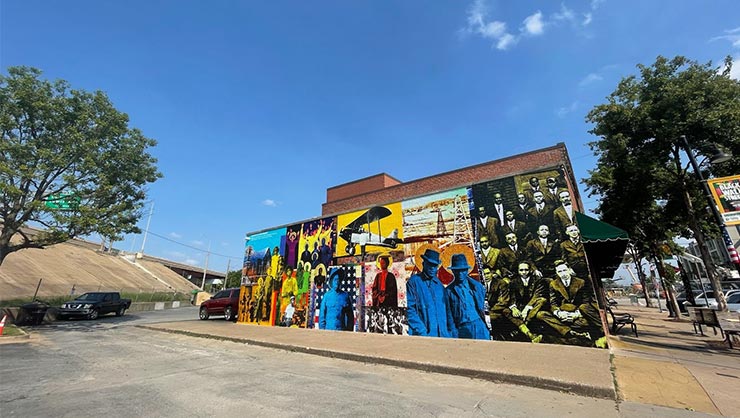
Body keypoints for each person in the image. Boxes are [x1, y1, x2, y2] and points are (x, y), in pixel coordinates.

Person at [537, 260, 605, 346]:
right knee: (541, 315)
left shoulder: (580, 282)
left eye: (564, 270)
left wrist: (575, 315)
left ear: (569, 270)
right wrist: (558, 313)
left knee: (585, 322)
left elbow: (586, 302)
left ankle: (566, 331)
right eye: (560, 271)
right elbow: (553, 303)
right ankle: (572, 332)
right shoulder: (553, 284)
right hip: (563, 313)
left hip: (576, 314)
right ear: (557, 273)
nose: (563, 274)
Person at [406, 249, 452, 338]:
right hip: (425, 336)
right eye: (429, 264)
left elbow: (448, 310)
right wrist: (421, 331)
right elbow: (409, 310)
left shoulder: (439, 285)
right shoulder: (413, 282)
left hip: (443, 336)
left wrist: (449, 332)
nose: (432, 268)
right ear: (423, 264)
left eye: (434, 266)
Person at [444, 254, 489, 340]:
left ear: (467, 271)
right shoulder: (448, 291)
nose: (460, 274)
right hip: (462, 329)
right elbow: (449, 315)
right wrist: (454, 333)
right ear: (453, 271)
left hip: (479, 325)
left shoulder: (476, 287)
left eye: (463, 270)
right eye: (457, 271)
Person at [503, 261, 546, 343]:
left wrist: (526, 310)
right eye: (521, 270)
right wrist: (514, 308)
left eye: (526, 270)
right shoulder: (514, 282)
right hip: (520, 305)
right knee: (506, 311)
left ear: (530, 270)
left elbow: (536, 295)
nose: (524, 272)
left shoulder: (537, 280)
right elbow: (511, 297)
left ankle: (525, 324)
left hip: (533, 305)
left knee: (542, 300)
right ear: (518, 271)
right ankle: (529, 334)